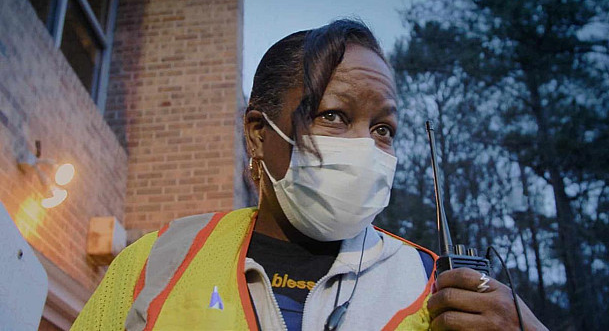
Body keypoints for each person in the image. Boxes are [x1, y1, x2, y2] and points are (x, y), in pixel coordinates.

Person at [71, 19, 547, 330]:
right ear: (259, 133)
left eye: (383, 128)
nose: (366, 147)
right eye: (333, 115)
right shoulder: (157, 262)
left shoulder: (438, 292)